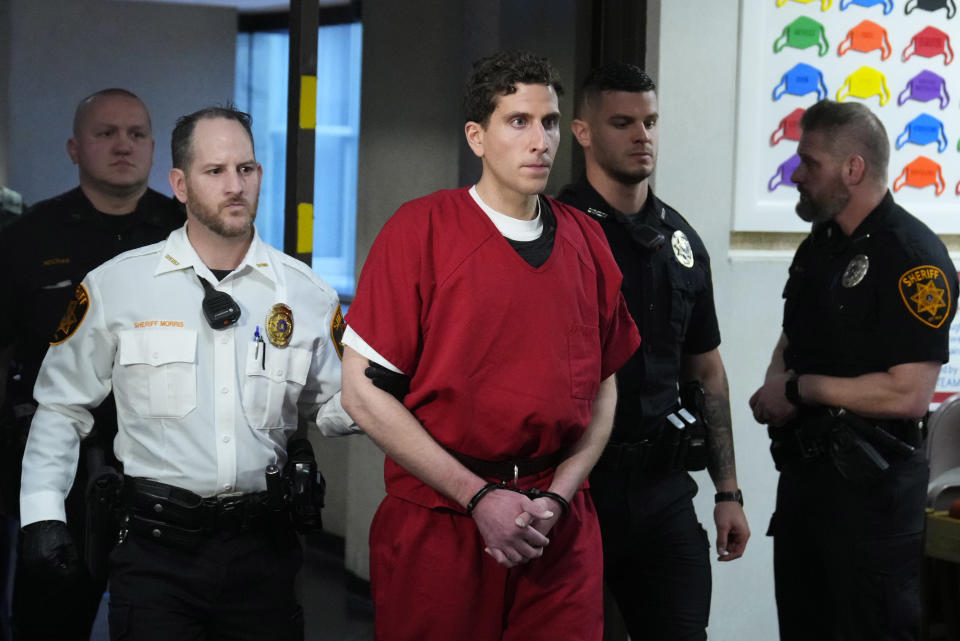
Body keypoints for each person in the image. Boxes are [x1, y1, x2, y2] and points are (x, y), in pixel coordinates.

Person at [18, 105, 355, 640]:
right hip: (157, 557)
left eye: (246, 169)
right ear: (179, 183)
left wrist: (378, 393)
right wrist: (41, 514)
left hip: (265, 556)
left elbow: (333, 409)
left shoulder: (307, 295)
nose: (235, 185)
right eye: (215, 171)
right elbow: (62, 406)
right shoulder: (117, 286)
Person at [340, 50, 640, 641]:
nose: (540, 141)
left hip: (555, 521)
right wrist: (478, 498)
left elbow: (605, 390)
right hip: (443, 517)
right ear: (477, 137)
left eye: (550, 122)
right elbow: (361, 393)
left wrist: (558, 496)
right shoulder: (421, 231)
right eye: (518, 121)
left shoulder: (587, 239)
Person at [749, 99, 957, 641]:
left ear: (853, 169)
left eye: (809, 163)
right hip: (807, 484)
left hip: (873, 500)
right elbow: (796, 331)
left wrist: (800, 389)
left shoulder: (913, 258)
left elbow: (909, 394)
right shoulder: (821, 246)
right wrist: (778, 382)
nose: (796, 174)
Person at [557, 63, 750, 641]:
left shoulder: (680, 241)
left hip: (663, 488)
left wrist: (729, 492)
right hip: (582, 487)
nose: (642, 135)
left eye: (651, 121)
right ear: (583, 132)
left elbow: (707, 371)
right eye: (622, 122)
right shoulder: (558, 232)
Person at [0, 88, 184, 640]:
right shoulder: (27, 238)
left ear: (154, 148)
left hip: (166, 464)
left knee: (168, 619)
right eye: (106, 134)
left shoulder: (188, 233)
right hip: (60, 465)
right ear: (74, 148)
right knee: (52, 619)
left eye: (137, 134)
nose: (123, 145)